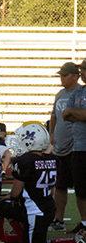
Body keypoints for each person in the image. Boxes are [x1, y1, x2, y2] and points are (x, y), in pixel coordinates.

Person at [50, 62, 80, 230]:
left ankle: (83, 222)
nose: (61, 78)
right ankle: (58, 219)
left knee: (81, 188)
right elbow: (53, 115)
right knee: (60, 185)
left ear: (75, 76)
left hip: (77, 147)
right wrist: (52, 134)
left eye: (64, 75)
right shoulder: (60, 94)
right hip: (61, 147)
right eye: (61, 75)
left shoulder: (81, 93)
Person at [61, 60, 86, 236]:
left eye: (83, 69)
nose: (81, 72)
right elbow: (65, 114)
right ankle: (84, 222)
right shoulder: (79, 92)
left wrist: (75, 113)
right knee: (80, 188)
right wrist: (79, 115)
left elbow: (75, 113)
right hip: (78, 147)